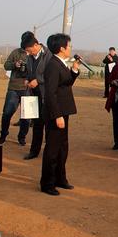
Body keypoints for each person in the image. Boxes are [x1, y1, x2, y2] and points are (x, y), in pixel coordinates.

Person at [41, 33, 80, 196]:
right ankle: (47, 183)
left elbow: (66, 83)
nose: (70, 48)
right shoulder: (52, 65)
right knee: (52, 149)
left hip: (64, 111)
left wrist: (75, 70)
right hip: (56, 113)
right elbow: (50, 93)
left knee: (63, 147)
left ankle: (60, 178)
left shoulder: (61, 63)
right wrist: (57, 116)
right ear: (61, 48)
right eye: (68, 45)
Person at [22, 34, 53, 160]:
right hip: (34, 95)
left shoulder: (49, 55)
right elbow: (29, 72)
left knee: (49, 125)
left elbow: (52, 75)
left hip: (46, 95)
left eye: (29, 50)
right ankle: (34, 151)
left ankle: (50, 152)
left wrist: (38, 81)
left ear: (36, 45)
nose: (28, 53)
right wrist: (27, 79)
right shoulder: (30, 57)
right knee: (37, 124)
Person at [0, 34, 31, 146]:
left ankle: (22, 137)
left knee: (26, 117)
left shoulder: (34, 54)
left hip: (28, 89)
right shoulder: (16, 52)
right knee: (7, 113)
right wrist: (14, 64)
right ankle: (3, 134)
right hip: (14, 88)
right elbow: (6, 65)